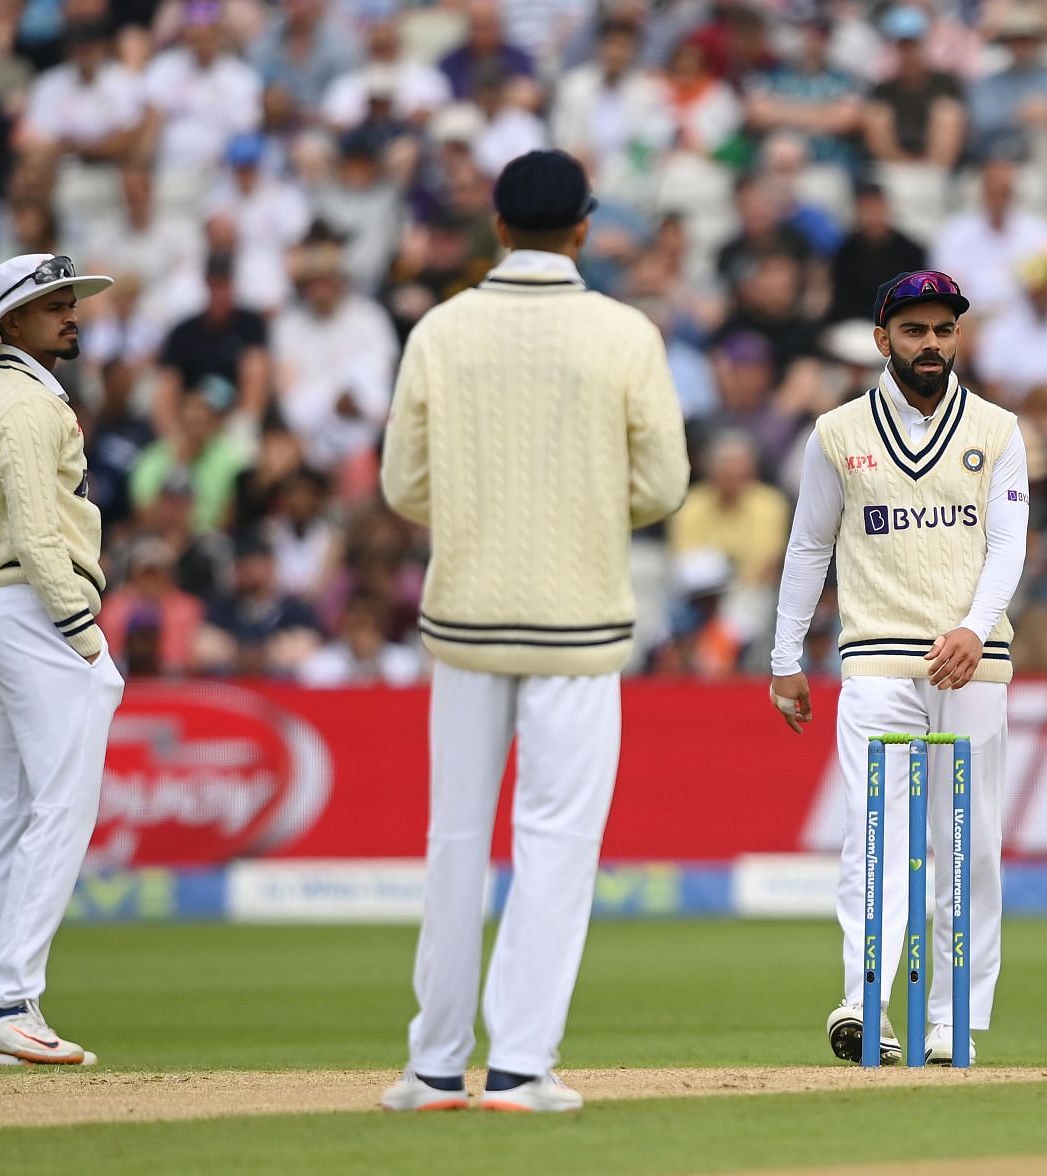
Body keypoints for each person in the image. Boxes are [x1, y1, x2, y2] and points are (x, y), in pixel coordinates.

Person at [378, 150, 689, 1113]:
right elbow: (662, 486)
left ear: (500, 228)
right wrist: (581, 510)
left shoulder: (440, 327)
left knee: (454, 840)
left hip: (466, 617)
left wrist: (483, 514)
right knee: (557, 841)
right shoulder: (625, 332)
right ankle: (518, 1065)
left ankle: (433, 1066)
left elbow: (402, 486)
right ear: (585, 229)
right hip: (579, 622)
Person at [769, 269, 1027, 1066]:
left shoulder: (998, 428)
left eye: (944, 330)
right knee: (874, 836)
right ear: (883, 340)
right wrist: (785, 659)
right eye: (914, 330)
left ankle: (954, 1020)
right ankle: (864, 1001)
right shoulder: (838, 432)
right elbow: (810, 542)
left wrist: (973, 630)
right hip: (877, 657)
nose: (931, 344)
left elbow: (1007, 544)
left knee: (969, 844)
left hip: (972, 665)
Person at [0, 252, 124, 1066]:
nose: (69, 312)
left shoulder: (16, 392)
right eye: (51, 303)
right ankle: (10, 997)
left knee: (21, 812)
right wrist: (84, 632)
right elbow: (33, 526)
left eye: (69, 298)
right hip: (37, 609)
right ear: (10, 323)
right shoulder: (21, 402)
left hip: (8, 609)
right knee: (61, 807)